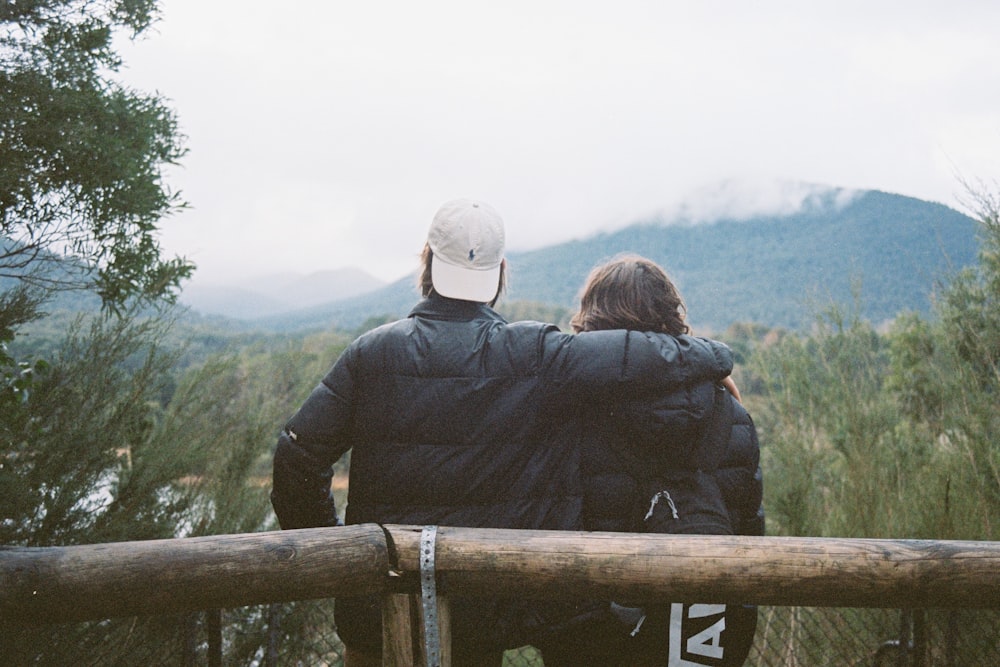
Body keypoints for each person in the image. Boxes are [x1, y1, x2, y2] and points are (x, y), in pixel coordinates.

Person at [270, 200, 737, 667]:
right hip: (479, 616)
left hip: (374, 616)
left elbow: (297, 456)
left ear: (426, 261)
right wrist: (712, 357)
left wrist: (337, 555)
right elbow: (630, 355)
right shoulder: (530, 355)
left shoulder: (371, 354)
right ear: (501, 272)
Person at [532, 253, 764, 667]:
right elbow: (747, 525)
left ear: (592, 320)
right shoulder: (731, 412)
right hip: (702, 631)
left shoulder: (568, 413)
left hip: (592, 635)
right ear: (671, 317)